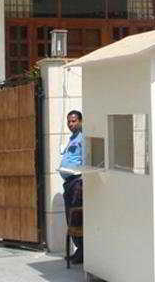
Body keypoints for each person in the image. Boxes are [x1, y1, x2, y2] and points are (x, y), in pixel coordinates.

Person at [61, 110, 84, 264]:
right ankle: (78, 251)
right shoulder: (72, 138)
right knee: (70, 218)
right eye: (69, 121)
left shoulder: (82, 138)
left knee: (76, 218)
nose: (71, 124)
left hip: (77, 182)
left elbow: (86, 158)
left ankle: (82, 252)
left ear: (80, 121)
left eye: (74, 121)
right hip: (69, 183)